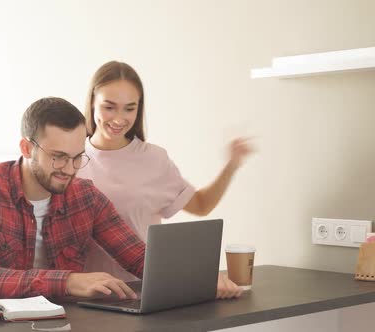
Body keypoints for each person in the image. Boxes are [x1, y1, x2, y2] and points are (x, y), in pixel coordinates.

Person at [79, 61, 253, 297]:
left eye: (129, 108)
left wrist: (232, 165)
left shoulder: (153, 159)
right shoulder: (70, 158)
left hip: (140, 291)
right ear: (92, 102)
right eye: (109, 107)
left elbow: (201, 205)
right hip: (83, 295)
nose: (119, 118)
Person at [0, 97, 145, 301]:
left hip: (59, 322)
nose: (70, 169)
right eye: (58, 157)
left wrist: (175, 272)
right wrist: (68, 282)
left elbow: (139, 258)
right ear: (26, 148)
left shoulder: (87, 198)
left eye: (77, 157)